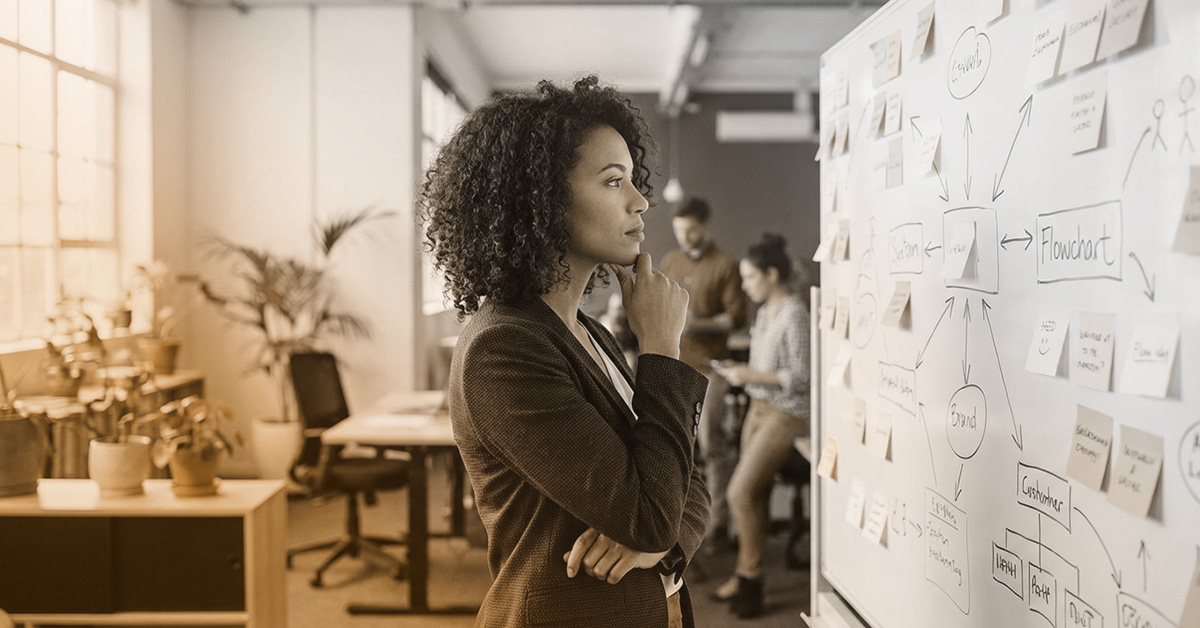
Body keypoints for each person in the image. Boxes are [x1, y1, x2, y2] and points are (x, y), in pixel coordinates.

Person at [420, 76, 711, 628]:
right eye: (612, 182)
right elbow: (651, 510)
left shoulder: (586, 332)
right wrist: (662, 349)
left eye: (632, 179)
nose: (640, 200)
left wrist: (660, 546)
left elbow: (689, 478)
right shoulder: (502, 348)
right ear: (542, 201)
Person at [711, 233, 811, 619]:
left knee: (739, 493)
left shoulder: (794, 313)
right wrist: (742, 375)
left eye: (751, 277)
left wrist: (748, 373)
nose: (745, 285)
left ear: (772, 274)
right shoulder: (766, 311)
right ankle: (744, 574)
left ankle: (750, 579)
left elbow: (801, 377)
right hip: (759, 407)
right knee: (756, 496)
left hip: (786, 414)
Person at [661, 197, 748, 547]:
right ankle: (679, 524)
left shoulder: (725, 265)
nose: (686, 237)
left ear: (706, 226)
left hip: (712, 371)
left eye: (692, 230)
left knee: (712, 446)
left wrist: (696, 324)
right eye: (680, 231)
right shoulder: (670, 261)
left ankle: (716, 526)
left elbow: (735, 319)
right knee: (678, 447)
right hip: (677, 368)